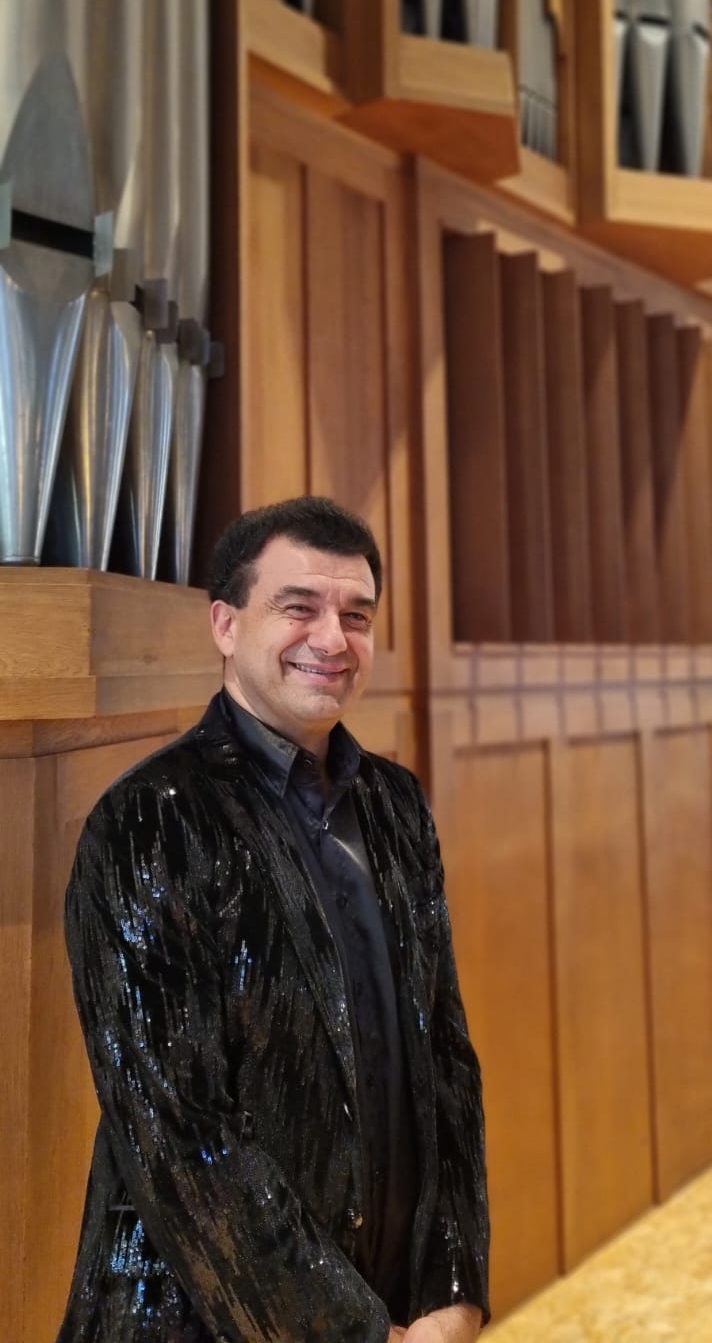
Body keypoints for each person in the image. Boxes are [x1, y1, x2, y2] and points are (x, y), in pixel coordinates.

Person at [58, 496, 490, 1343]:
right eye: (299, 607)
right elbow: (179, 1131)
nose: (333, 638)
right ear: (226, 625)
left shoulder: (396, 804)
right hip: (196, 1319)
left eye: (356, 616)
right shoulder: (150, 820)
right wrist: (351, 1333)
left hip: (396, 1304)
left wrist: (454, 1290)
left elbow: (446, 1060)